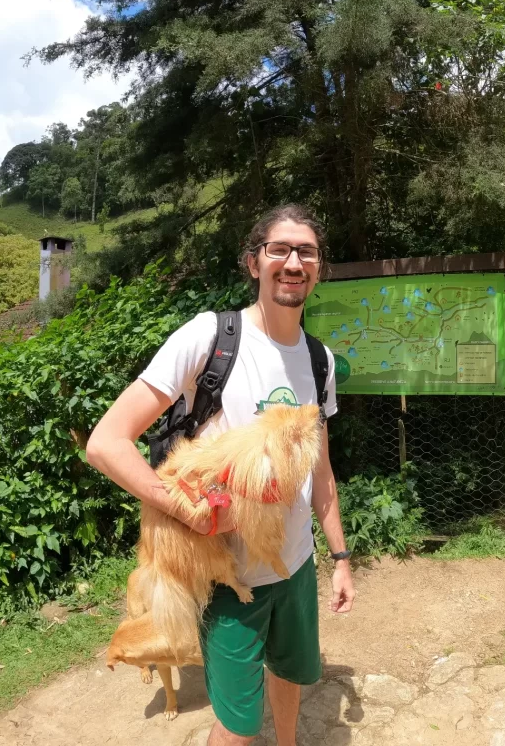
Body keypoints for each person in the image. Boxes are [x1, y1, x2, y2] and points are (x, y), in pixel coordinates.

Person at [86, 204, 355, 746]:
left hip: (297, 565)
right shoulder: (210, 337)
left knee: (288, 675)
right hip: (229, 580)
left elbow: (320, 472)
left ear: (319, 268)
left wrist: (341, 558)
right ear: (253, 262)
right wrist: (190, 511)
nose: (293, 262)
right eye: (279, 249)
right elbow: (106, 443)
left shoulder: (319, 361)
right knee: (234, 724)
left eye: (306, 251)